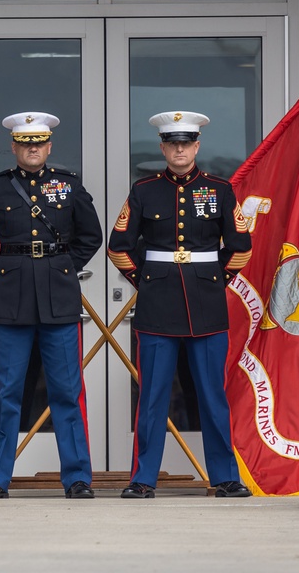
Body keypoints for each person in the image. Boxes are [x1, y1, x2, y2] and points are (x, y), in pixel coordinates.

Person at [107, 111, 253, 499]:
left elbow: (241, 248)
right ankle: (142, 479)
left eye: (186, 143)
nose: (179, 149)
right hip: (158, 307)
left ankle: (224, 477)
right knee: (152, 397)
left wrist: (215, 281)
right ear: (162, 148)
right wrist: (147, 283)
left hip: (207, 305)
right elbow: (118, 247)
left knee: (212, 396)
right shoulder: (144, 191)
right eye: (172, 143)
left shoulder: (220, 190)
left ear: (197, 146)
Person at [0, 112, 103, 500]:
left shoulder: (68, 185)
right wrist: (2, 269)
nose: (33, 148)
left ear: (49, 146)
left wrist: (65, 268)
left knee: (67, 392)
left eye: (39, 142)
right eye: (25, 143)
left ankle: (77, 478)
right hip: (13, 299)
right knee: (6, 393)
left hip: (58, 299)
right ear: (15, 147)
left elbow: (92, 235)